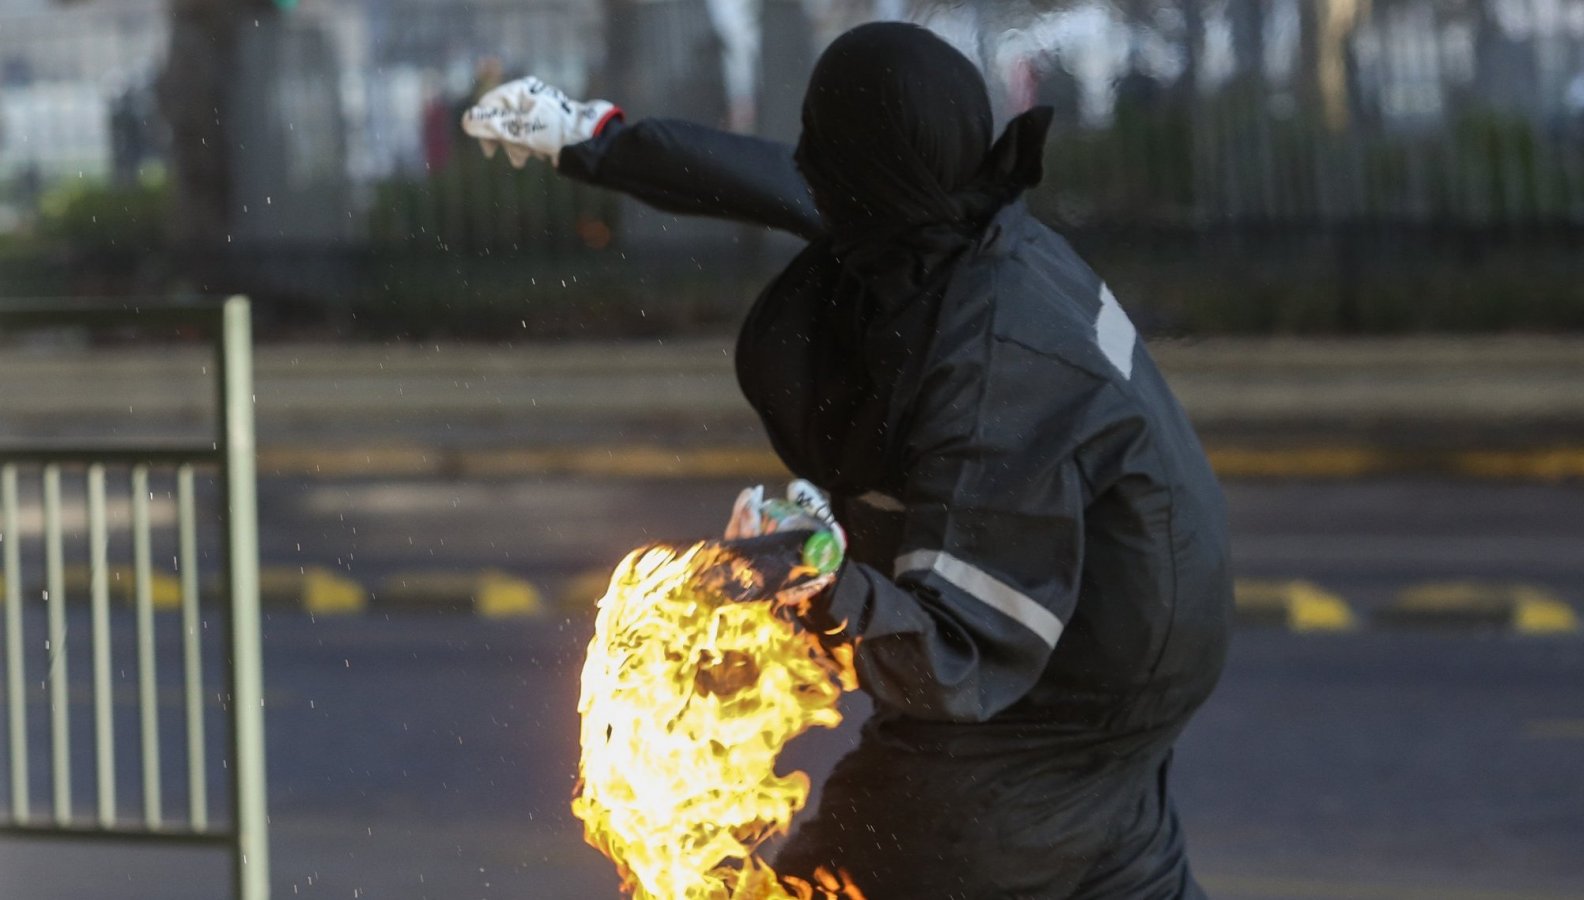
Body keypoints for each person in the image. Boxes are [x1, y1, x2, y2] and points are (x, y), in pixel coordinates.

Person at [464, 22, 1231, 899]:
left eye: (824, 150)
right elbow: (779, 182)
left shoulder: (991, 365)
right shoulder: (957, 215)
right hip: (1127, 668)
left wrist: (811, 579)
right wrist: (596, 140)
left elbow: (959, 649)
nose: (811, 168)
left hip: (1063, 699)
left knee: (852, 867)